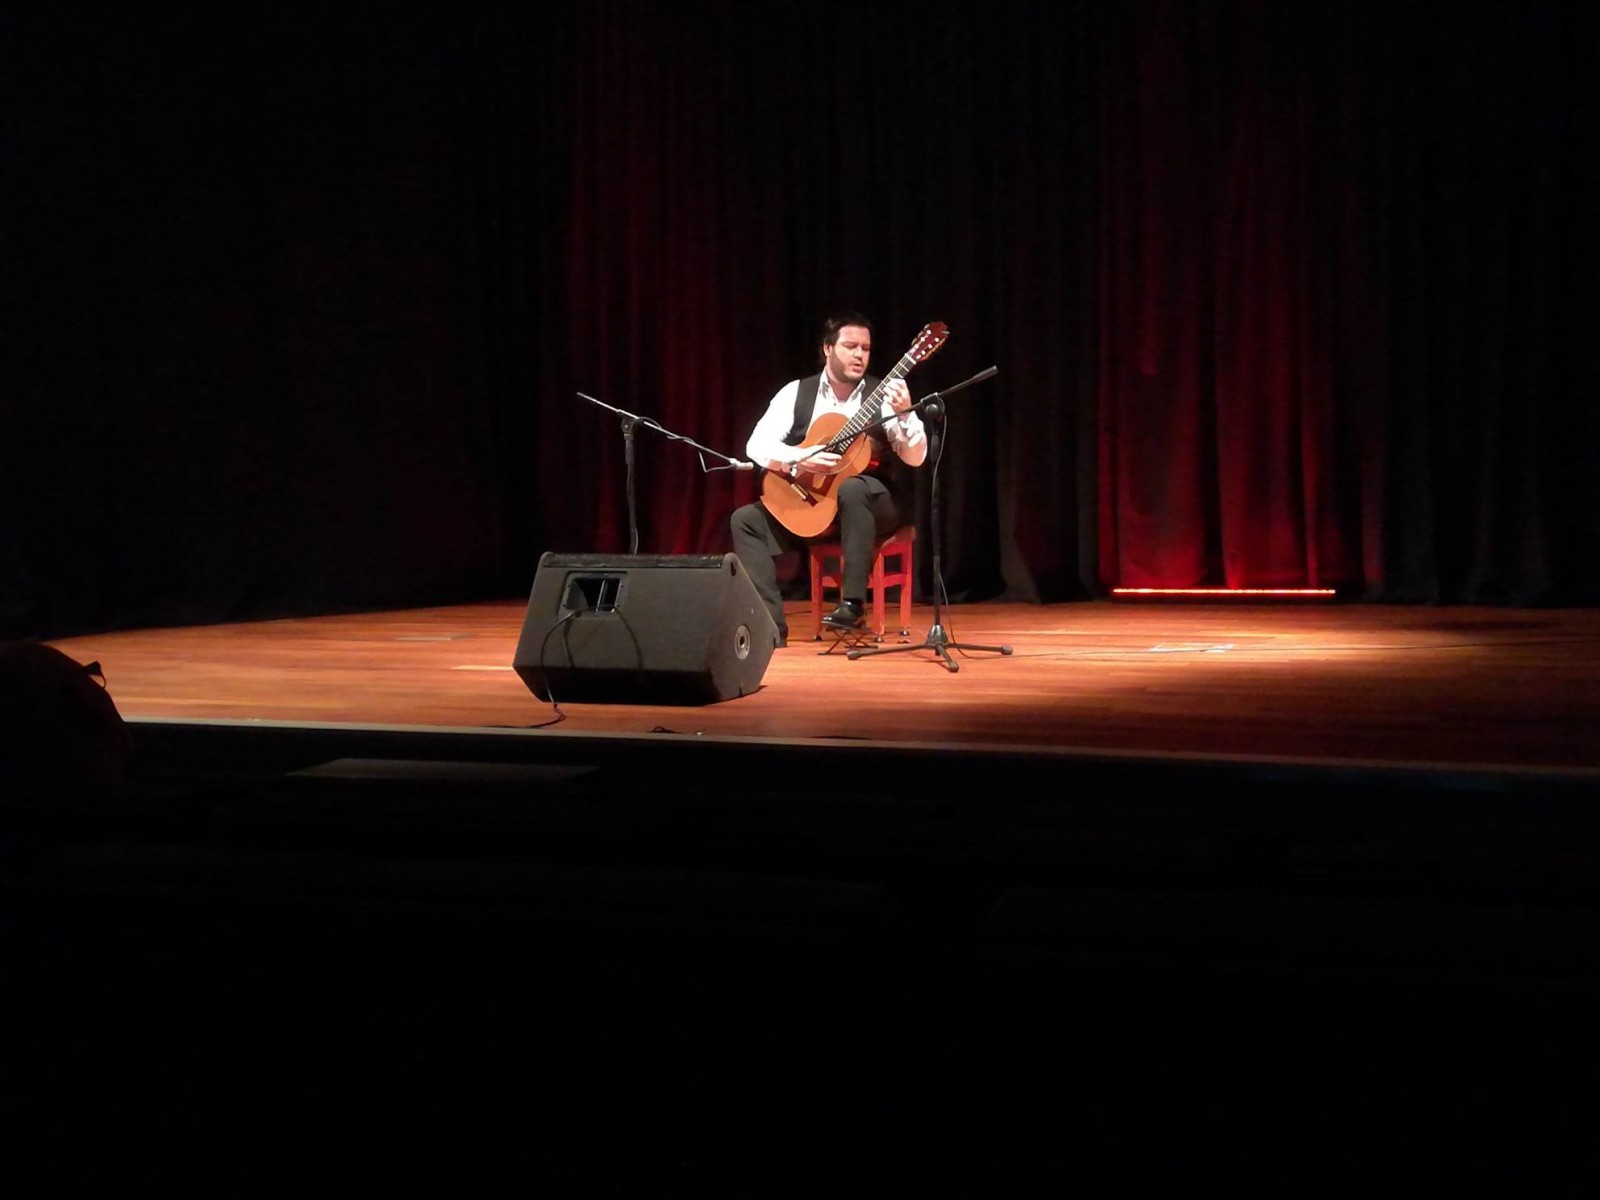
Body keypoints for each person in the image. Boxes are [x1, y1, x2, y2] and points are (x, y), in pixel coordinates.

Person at [730, 312, 927, 647]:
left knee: (852, 488)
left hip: (872, 503)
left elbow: (915, 457)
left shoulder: (882, 396)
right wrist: (799, 459)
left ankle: (852, 605)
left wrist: (906, 414)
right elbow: (756, 445)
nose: (859, 355)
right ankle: (770, 627)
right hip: (818, 504)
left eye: (865, 348)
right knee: (745, 520)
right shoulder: (797, 393)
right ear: (827, 348)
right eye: (850, 346)